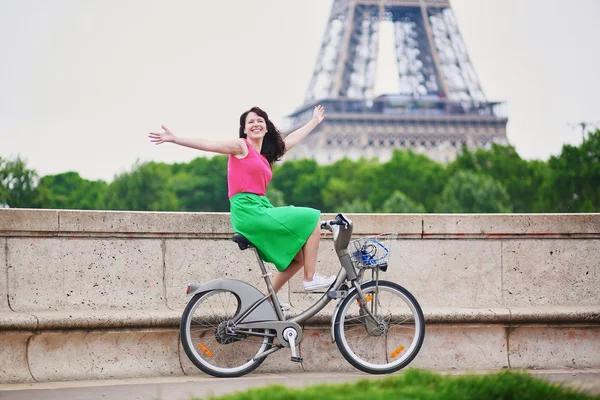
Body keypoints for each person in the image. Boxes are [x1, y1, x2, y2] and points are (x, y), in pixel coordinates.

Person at [148, 105, 335, 296]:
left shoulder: (264, 156)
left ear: (266, 127)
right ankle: (310, 279)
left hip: (260, 207)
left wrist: (313, 121)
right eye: (250, 122)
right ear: (244, 129)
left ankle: (265, 301)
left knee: (298, 258)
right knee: (313, 219)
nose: (256, 124)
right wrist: (175, 139)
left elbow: (289, 141)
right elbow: (209, 144)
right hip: (248, 211)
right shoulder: (241, 146)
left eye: (260, 120)